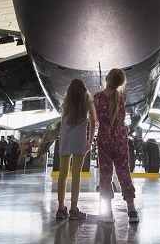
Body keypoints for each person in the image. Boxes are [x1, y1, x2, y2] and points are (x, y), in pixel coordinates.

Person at [94, 68, 138, 223]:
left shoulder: (98, 97)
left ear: (107, 79)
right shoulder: (123, 97)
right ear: (121, 82)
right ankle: (132, 210)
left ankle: (108, 212)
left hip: (104, 138)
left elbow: (96, 118)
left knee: (105, 174)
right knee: (124, 172)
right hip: (120, 138)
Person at [56, 79, 97, 220]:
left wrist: (61, 140)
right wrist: (90, 141)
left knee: (63, 173)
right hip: (79, 139)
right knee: (76, 174)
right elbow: (93, 123)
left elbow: (62, 124)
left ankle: (61, 208)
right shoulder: (88, 102)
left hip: (66, 138)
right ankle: (74, 210)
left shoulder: (66, 102)